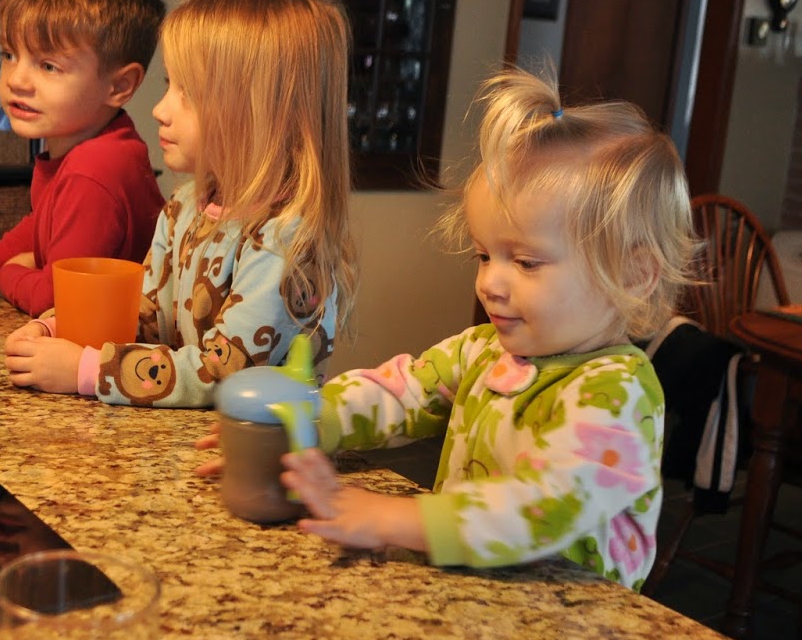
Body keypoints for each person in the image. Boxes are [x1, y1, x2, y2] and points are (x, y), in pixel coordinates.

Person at [208, 67, 695, 589]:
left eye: (526, 262)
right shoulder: (482, 351)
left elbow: (543, 506)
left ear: (634, 274)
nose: (490, 283)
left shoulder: (618, 392)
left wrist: (392, 518)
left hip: (569, 620)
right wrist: (304, 424)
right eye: (484, 256)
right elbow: (400, 392)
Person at [3, 0, 357, 408]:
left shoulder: (286, 238)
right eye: (170, 84)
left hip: (260, 444)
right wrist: (58, 329)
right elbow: (148, 315)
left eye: (188, 93)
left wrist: (89, 370)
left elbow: (223, 371)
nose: (160, 109)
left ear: (258, 113)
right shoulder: (185, 206)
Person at [0, 0, 168, 316]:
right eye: (9, 54)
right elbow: (41, 225)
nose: (17, 79)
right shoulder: (98, 141)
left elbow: (57, 300)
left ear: (119, 86)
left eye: (48, 65)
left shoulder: (94, 171)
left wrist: (10, 274)